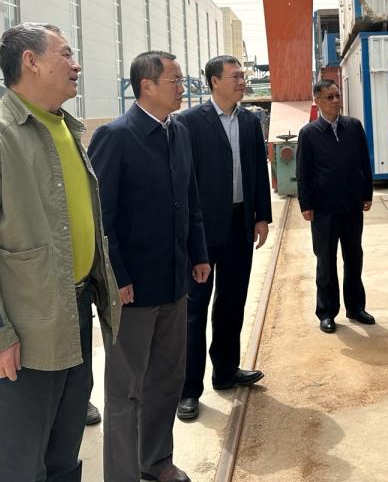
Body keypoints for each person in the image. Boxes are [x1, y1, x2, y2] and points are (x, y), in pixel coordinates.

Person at [0, 23, 120, 482]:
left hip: (73, 316)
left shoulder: (66, 129)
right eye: (66, 54)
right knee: (18, 466)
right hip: (20, 333)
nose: (76, 64)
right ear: (31, 61)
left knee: (64, 456)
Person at [89, 51, 211, 482]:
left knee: (166, 379)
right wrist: (117, 276)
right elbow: (100, 217)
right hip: (132, 289)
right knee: (126, 390)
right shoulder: (115, 137)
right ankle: (121, 474)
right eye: (175, 80)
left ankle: (156, 461)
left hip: (174, 280)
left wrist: (198, 253)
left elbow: (190, 198)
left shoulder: (177, 133)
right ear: (147, 86)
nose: (183, 88)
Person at [176, 55, 272, 421]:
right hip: (201, 230)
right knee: (194, 310)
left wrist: (261, 216)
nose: (242, 81)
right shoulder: (188, 122)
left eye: (243, 75)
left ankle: (226, 370)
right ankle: (188, 390)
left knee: (232, 301)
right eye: (235, 76)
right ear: (214, 81)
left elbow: (258, 171)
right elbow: (182, 179)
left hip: (239, 224)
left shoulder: (249, 121)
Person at [296, 79, 375, 334]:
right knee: (326, 262)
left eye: (337, 95)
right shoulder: (309, 134)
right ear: (317, 101)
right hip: (324, 210)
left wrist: (367, 193)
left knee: (354, 258)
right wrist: (306, 204)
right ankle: (327, 312)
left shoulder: (353, 127)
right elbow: (303, 173)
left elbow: (364, 162)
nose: (336, 101)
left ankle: (356, 307)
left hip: (352, 206)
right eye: (329, 97)